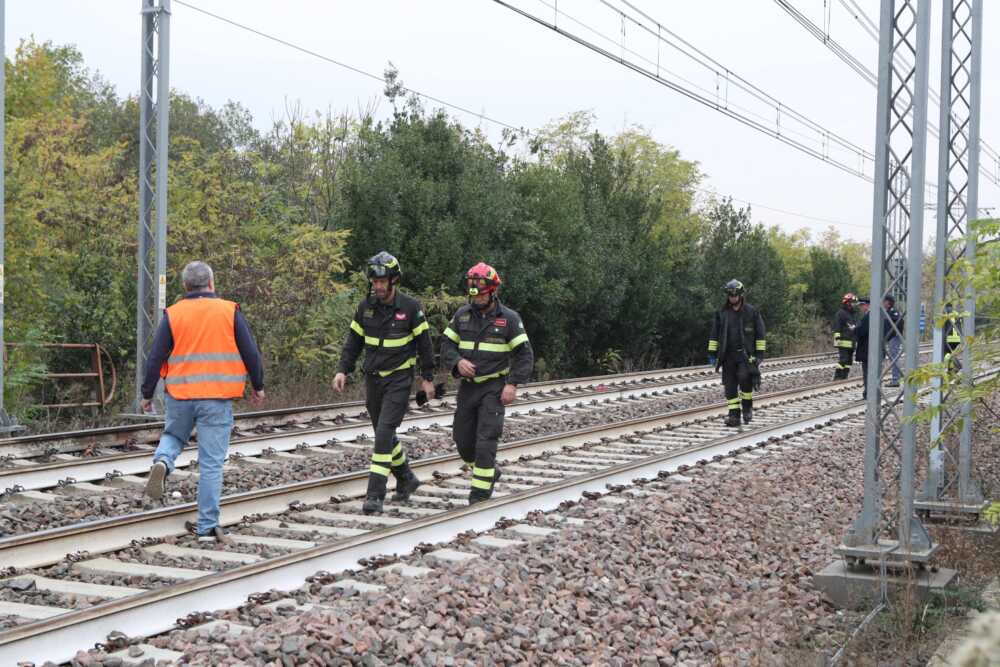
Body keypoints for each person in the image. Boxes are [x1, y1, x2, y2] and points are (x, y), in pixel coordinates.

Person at [142, 261, 265, 542]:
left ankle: (163, 461)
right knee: (210, 463)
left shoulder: (173, 314)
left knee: (173, 435)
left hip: (181, 395)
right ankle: (207, 526)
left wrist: (147, 393)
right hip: (217, 398)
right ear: (211, 283)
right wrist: (258, 385)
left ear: (185, 286)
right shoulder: (228, 310)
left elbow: (156, 357)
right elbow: (250, 352)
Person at [333, 251, 436, 515]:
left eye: (382, 281)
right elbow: (353, 343)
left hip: (400, 380)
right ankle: (406, 479)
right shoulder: (365, 308)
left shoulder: (411, 308)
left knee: (382, 435)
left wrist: (427, 378)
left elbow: (425, 345)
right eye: (374, 281)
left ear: (394, 281)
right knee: (385, 434)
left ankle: (375, 496)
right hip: (373, 381)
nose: (378, 286)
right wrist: (342, 370)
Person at [441, 262, 534, 504]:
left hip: (494, 388)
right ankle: (490, 472)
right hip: (468, 388)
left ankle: (479, 497)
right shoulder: (462, 315)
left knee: (485, 442)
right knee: (463, 442)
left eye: (482, 293)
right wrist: (457, 362)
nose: (478, 298)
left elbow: (524, 354)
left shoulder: (509, 319)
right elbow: (446, 346)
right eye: (474, 293)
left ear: (493, 291)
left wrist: (513, 384)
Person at [707, 279, 766, 427]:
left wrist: (759, 355)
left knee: (745, 381)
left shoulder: (751, 312)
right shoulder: (721, 313)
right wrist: (712, 353)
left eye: (735, 295)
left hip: (746, 356)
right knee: (730, 387)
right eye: (730, 296)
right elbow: (714, 334)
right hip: (728, 356)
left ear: (740, 295)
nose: (732, 298)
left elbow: (760, 334)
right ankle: (734, 416)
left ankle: (747, 409)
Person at [832, 293, 858, 380]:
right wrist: (838, 337)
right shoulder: (841, 313)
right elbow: (837, 326)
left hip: (851, 341)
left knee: (849, 361)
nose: (854, 305)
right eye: (852, 302)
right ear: (847, 303)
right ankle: (837, 377)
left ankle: (844, 377)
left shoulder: (852, 314)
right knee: (843, 360)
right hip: (843, 341)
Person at [883, 295, 903, 387]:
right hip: (889, 338)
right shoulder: (886, 312)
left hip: (894, 338)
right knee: (893, 358)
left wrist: (894, 334)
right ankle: (896, 378)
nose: (883, 303)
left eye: (884, 301)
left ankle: (896, 379)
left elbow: (899, 321)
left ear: (888, 302)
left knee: (894, 358)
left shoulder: (893, 312)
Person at [855, 298, 871, 399]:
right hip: (869, 349)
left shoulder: (868, 317)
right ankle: (868, 392)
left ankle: (868, 393)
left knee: (867, 373)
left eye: (861, 305)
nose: (860, 308)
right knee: (868, 372)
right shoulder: (872, 315)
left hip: (867, 349)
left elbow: (862, 332)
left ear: (867, 305)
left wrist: (855, 329)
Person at [942, 302, 962, 371]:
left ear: (945, 307)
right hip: (957, 339)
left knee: (946, 354)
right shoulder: (956, 314)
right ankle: (950, 369)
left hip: (949, 339)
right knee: (951, 354)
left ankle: (958, 366)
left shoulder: (945, 314)